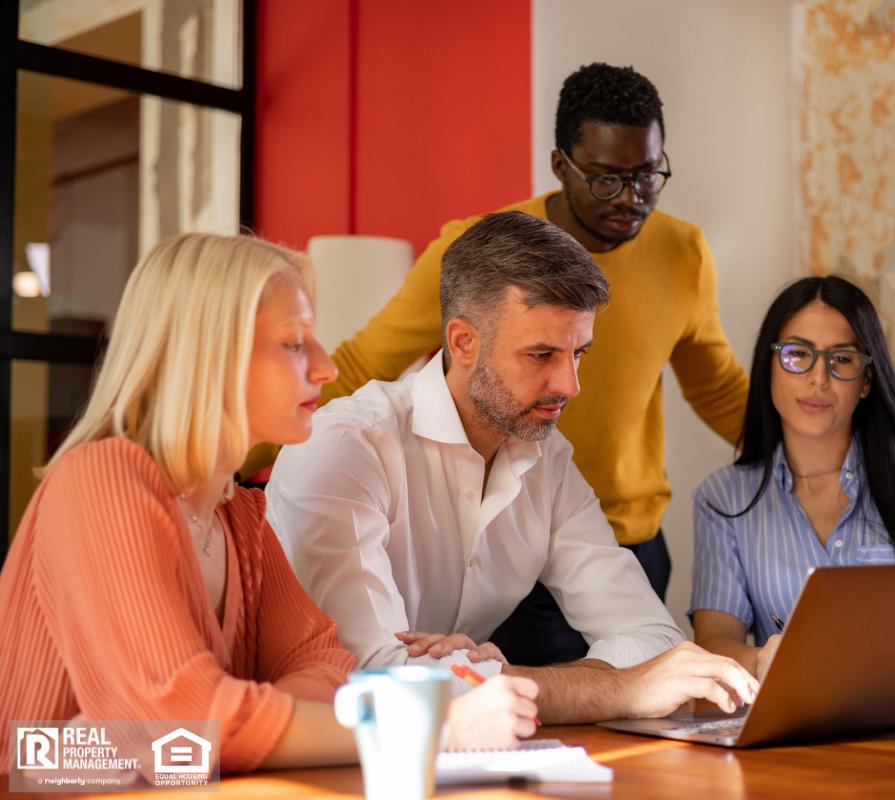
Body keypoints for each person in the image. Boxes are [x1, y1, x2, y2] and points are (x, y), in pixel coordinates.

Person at [242, 63, 749, 666]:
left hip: (604, 522)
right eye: (609, 179)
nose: (631, 198)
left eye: (647, 176)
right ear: (562, 165)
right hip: (508, 552)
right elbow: (358, 363)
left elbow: (718, 388)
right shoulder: (477, 257)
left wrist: (825, 454)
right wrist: (239, 458)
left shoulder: (683, 253)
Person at [0, 233, 538, 777]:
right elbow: (183, 721)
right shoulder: (101, 481)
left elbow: (324, 664)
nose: (327, 368)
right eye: (296, 343)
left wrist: (225, 722)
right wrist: (438, 730)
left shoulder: (241, 517)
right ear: (209, 355)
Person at [267, 211, 759, 725]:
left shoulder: (549, 460)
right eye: (541, 353)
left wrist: (496, 681)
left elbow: (656, 640)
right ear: (462, 343)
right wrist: (618, 689)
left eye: (578, 353)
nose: (569, 385)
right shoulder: (346, 447)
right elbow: (375, 680)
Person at [689, 276, 895, 692]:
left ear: (867, 380)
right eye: (797, 355)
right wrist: (765, 660)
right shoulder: (723, 498)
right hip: (790, 742)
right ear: (768, 368)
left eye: (842, 359)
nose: (818, 378)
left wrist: (847, 678)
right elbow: (713, 644)